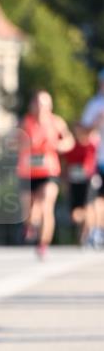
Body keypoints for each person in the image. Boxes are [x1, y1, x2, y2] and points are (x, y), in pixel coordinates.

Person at [17, 90, 74, 259]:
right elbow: (13, 142)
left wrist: (59, 145)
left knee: (46, 204)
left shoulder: (56, 122)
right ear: (32, 105)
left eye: (46, 104)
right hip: (27, 172)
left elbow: (69, 141)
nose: (42, 108)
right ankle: (30, 224)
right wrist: (25, 144)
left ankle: (43, 244)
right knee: (28, 210)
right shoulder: (25, 122)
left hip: (49, 171)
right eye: (39, 104)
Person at [62, 123, 98, 246]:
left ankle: (86, 235)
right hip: (74, 182)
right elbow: (66, 164)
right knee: (75, 214)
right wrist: (65, 180)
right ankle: (91, 225)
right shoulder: (71, 147)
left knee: (87, 208)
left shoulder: (91, 145)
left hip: (88, 181)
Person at [80, 70, 104, 247]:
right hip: (97, 159)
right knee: (96, 197)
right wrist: (96, 123)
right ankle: (96, 231)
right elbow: (83, 133)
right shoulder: (94, 104)